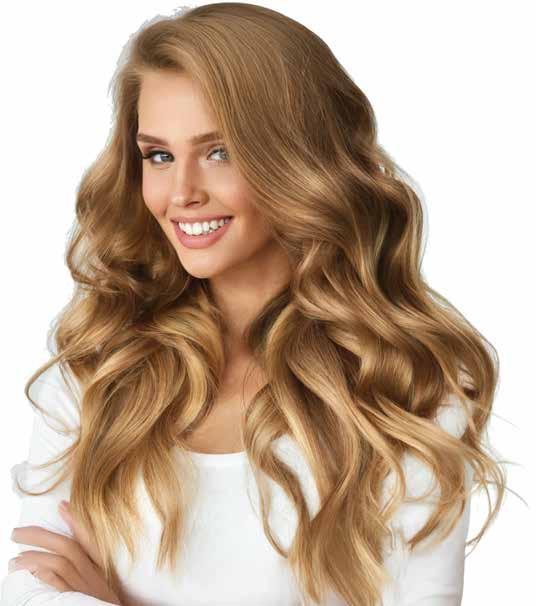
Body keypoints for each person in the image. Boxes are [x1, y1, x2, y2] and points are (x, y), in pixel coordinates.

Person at [2, 4, 507, 605]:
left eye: (220, 152)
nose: (182, 192)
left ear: (298, 159)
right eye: (159, 155)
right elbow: (32, 588)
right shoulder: (99, 363)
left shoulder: (407, 388)